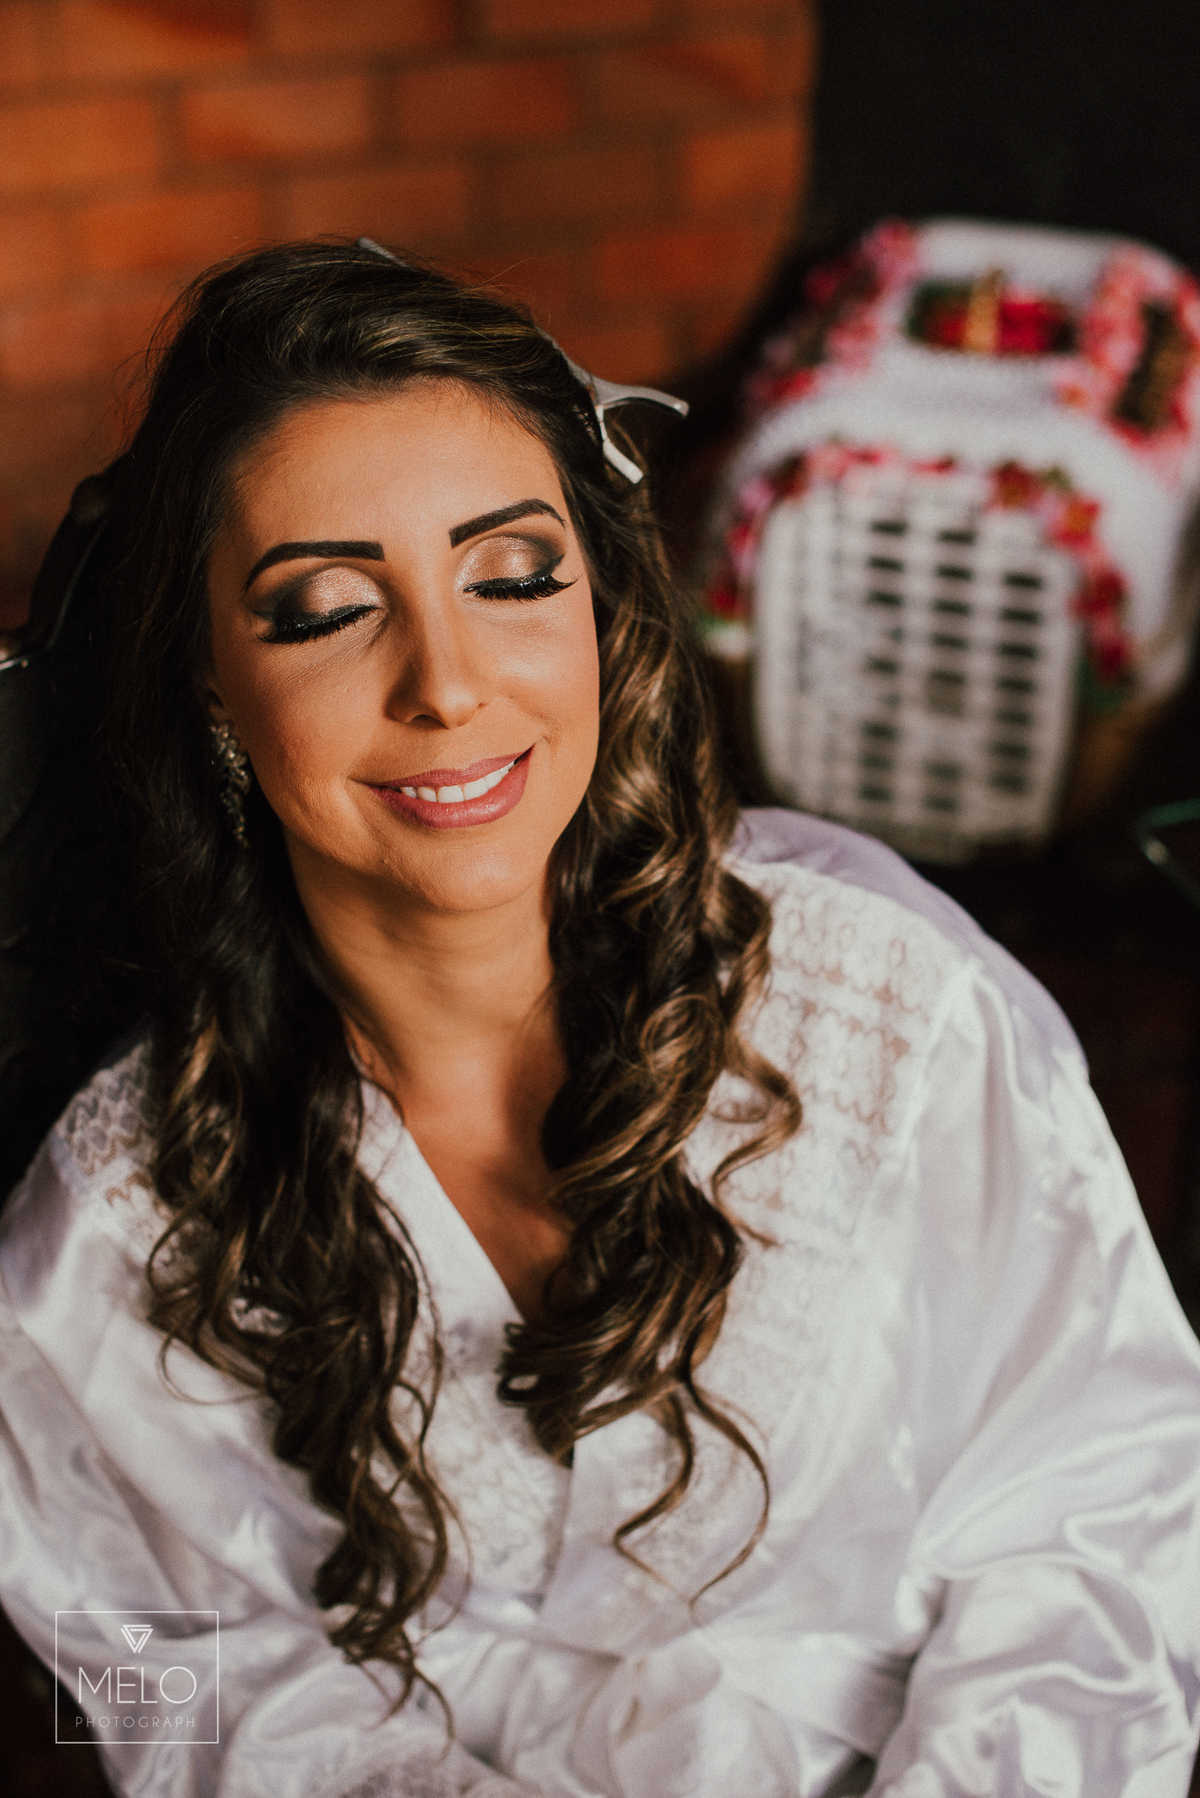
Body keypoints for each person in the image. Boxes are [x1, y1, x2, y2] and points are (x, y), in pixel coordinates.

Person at [0, 239, 1198, 1798]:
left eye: (510, 577)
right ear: (212, 682)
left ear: (599, 606)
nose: (448, 682)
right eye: (327, 608)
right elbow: (168, 1684)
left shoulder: (893, 1013)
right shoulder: (103, 1239)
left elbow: (1110, 1508)